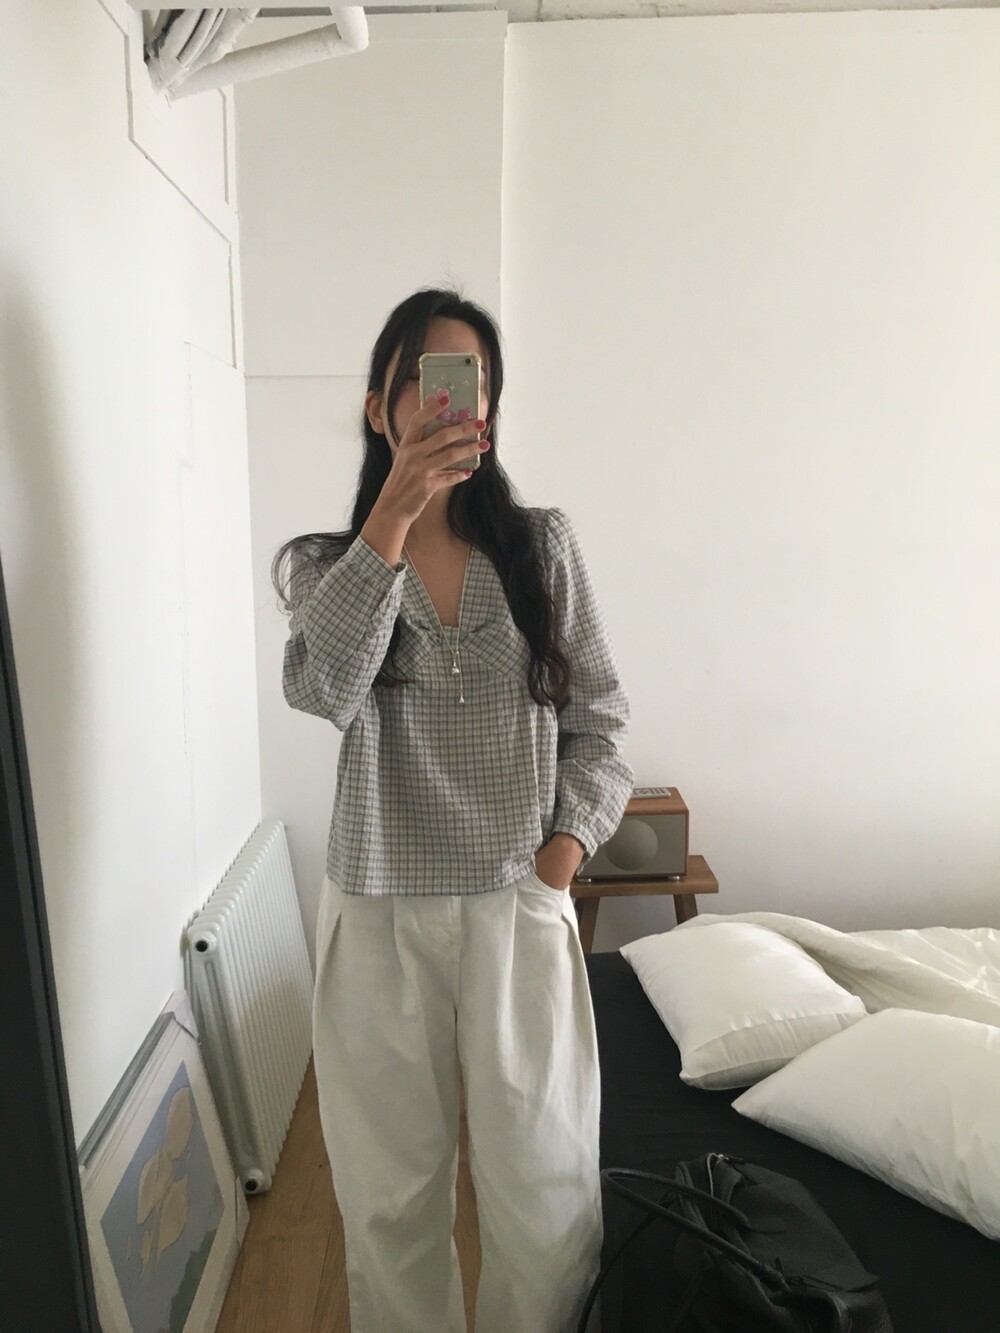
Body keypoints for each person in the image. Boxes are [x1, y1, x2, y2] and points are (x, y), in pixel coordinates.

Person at [273, 287, 633, 1333]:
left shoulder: (541, 547)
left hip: (518, 901)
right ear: (379, 405)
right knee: (388, 1201)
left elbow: (602, 720)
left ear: (490, 408)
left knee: (548, 1194)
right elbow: (324, 689)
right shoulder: (326, 566)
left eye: (468, 385)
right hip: (379, 907)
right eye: (424, 384)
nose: (447, 407)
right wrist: (391, 516)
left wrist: (561, 856)